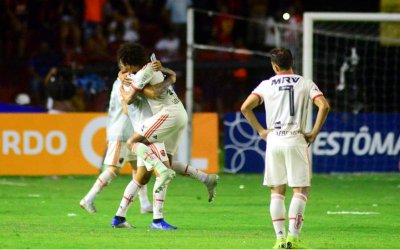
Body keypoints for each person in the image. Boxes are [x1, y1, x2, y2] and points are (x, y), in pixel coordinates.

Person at [111, 43, 219, 230]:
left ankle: (139, 219)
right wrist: (169, 76)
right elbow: (132, 101)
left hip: (156, 122)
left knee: (147, 172)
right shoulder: (128, 79)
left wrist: (161, 75)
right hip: (153, 124)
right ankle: (141, 219)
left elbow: (142, 96)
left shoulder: (138, 75)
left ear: (127, 63)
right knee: (153, 174)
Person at [240, 48, 330, 249]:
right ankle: (293, 238)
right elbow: (324, 106)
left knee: (277, 191)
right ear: (293, 63)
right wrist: (314, 132)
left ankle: (279, 239)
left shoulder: (266, 84)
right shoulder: (305, 83)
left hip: (274, 141)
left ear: (274, 66)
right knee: (301, 190)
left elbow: (245, 107)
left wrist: (261, 131)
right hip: (295, 139)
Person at [78, 52, 175, 214]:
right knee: (113, 169)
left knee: (138, 169)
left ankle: (144, 204)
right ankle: (88, 199)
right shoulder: (125, 81)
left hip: (132, 132)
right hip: (122, 132)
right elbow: (126, 109)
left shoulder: (127, 78)